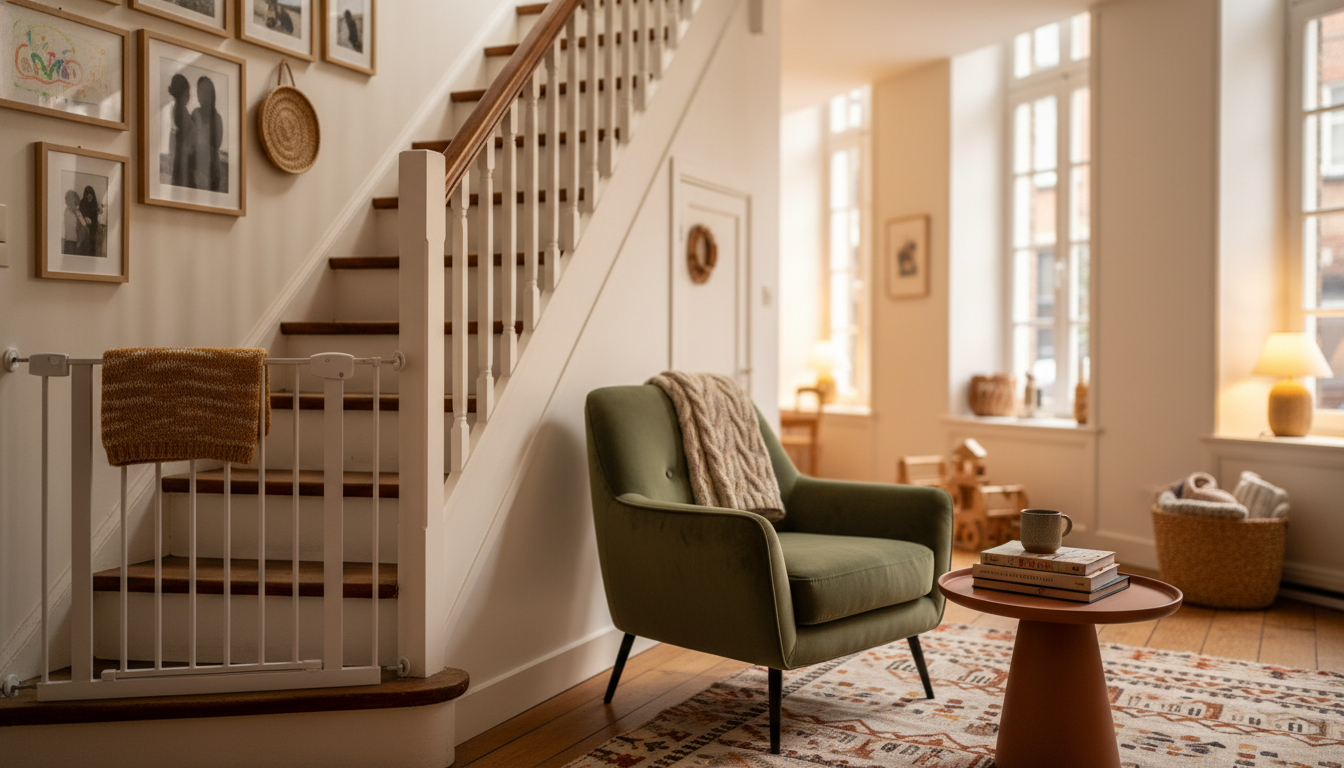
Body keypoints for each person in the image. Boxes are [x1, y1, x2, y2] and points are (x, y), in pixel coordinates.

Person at [187, 76, 224, 192]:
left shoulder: (217, 118)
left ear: (212, 94)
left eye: (205, 91)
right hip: (195, 166)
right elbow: (189, 140)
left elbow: (217, 144)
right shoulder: (195, 113)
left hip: (211, 169)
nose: (202, 95)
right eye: (200, 91)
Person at [167, 73, 192, 187]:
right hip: (182, 147)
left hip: (182, 146)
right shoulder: (179, 109)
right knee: (181, 174)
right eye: (187, 92)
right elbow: (186, 127)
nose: (189, 96)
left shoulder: (179, 108)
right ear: (181, 93)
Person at [76, 186, 100, 256]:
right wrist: (85, 218)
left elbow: (95, 218)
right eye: (87, 196)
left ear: (93, 196)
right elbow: (79, 216)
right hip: (83, 228)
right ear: (85, 196)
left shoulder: (95, 204)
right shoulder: (82, 203)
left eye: (91, 196)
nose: (89, 198)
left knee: (92, 246)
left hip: (92, 228)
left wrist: (91, 222)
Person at [61, 190, 81, 255]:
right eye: (74, 204)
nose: (75, 206)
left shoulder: (73, 212)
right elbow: (74, 227)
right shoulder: (68, 212)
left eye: (76, 204)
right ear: (69, 202)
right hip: (70, 241)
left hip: (73, 241)